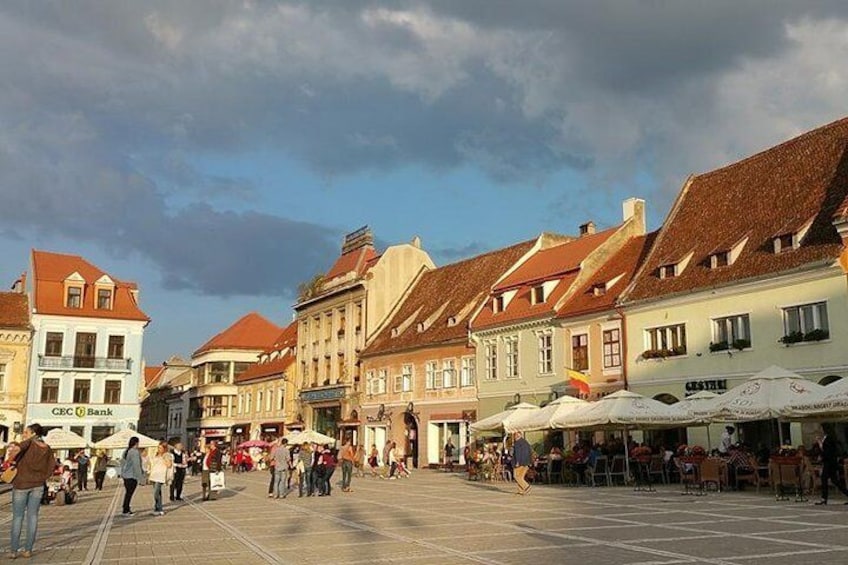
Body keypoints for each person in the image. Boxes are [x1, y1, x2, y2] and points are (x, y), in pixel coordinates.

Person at [8, 423, 55, 559]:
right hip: (38, 485)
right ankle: (28, 550)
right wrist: (42, 477)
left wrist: (11, 460)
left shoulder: (27, 443)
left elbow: (16, 448)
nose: (24, 434)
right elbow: (52, 465)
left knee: (17, 517)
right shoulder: (47, 448)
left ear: (34, 433)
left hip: (22, 484)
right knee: (33, 517)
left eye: (26, 432)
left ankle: (13, 550)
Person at [815, 428, 848, 505]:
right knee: (835, 481)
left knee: (824, 479)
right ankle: (824, 498)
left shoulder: (829, 439)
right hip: (828, 463)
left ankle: (824, 498)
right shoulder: (825, 440)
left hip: (830, 464)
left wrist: (820, 444)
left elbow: (828, 452)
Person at [120, 436, 144, 516]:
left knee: (128, 493)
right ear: (136, 443)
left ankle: (125, 507)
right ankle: (126, 510)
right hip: (132, 475)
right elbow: (136, 465)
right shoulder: (135, 452)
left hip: (126, 475)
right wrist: (141, 478)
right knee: (129, 493)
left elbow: (122, 463)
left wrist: (123, 472)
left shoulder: (126, 451)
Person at [148, 442, 173, 516]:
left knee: (156, 492)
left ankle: (159, 508)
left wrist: (164, 459)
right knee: (158, 493)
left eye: (161, 448)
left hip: (161, 476)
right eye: (158, 448)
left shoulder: (167, 455)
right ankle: (158, 508)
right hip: (154, 475)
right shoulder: (156, 454)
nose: (159, 449)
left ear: (164, 448)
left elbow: (169, 465)